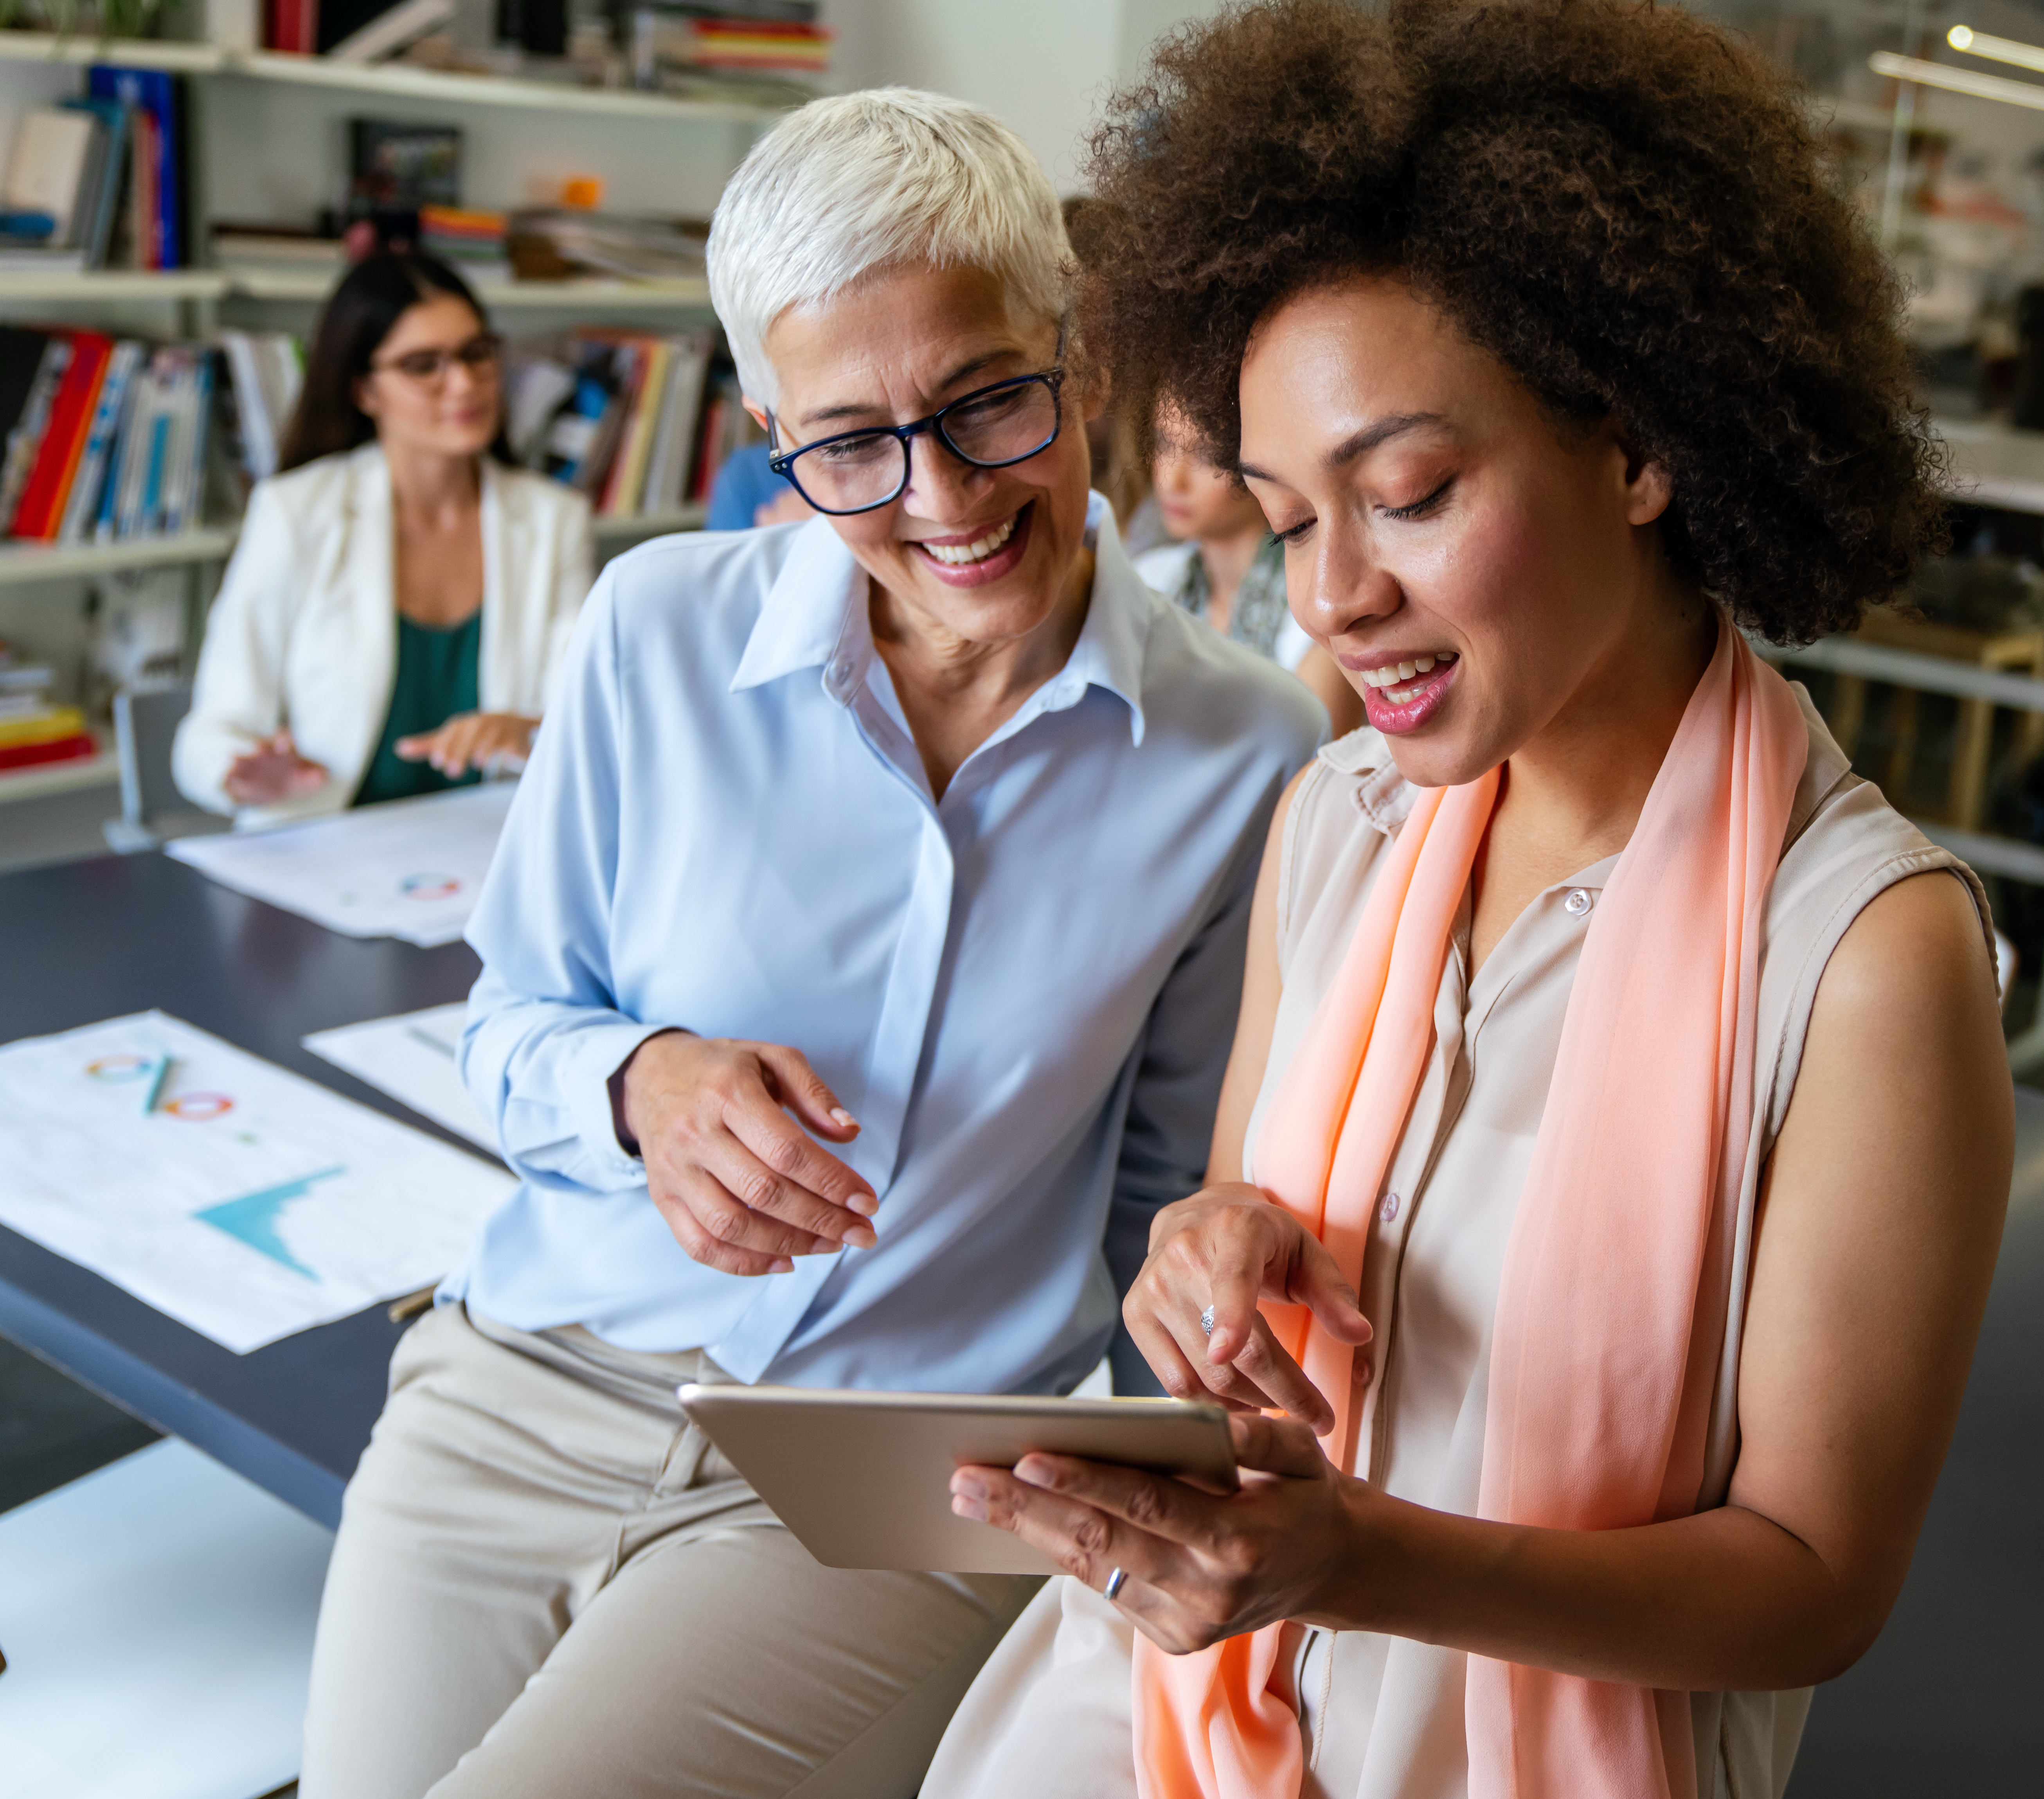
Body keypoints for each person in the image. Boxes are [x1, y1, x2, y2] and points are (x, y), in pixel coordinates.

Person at [921, 4, 2015, 1795]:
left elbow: (1814, 1586)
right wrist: (1205, 1260)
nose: (1333, 595)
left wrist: (1366, 1564)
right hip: (1184, 1691)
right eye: (1287, 518)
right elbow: (1237, 1208)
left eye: (1409, 493)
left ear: (1641, 446)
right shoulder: (1335, 819)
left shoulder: (1866, 960)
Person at [298, 88, 1323, 1799]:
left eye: (991, 400)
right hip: (519, 1385)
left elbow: (1166, 1204)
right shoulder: (648, 632)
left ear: (1075, 356)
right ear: (768, 425)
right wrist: (642, 1083)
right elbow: (507, 1029)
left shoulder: (1242, 748)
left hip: (893, 1476)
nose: (940, 497)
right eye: (848, 441)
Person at [174, 252, 594, 825]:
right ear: (365, 390)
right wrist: (241, 772)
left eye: (476, 354)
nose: (464, 383)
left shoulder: (555, 520)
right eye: (425, 365)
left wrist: (527, 731)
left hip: (491, 850)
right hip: (322, 851)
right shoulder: (295, 513)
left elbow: (580, 723)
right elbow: (208, 735)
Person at [1137, 401, 1362, 734]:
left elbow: (1313, 760)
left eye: (1206, 455)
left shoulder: (1317, 602)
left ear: (1259, 462)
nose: (1173, 480)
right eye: (1164, 444)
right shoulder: (1148, 579)